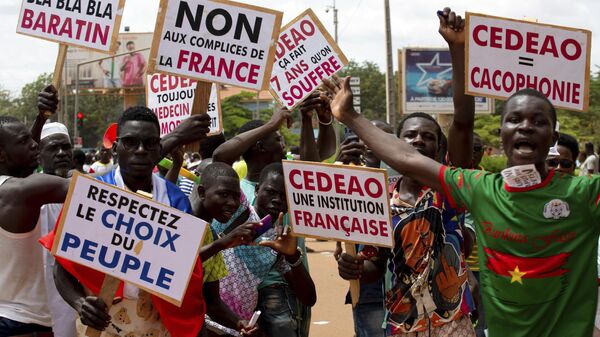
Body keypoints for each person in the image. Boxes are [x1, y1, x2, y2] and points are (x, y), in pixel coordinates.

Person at [325, 7, 600, 336]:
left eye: (539, 122)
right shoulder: (480, 189)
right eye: (515, 120)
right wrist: (351, 117)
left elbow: (461, 122)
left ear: (553, 138)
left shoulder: (584, 194)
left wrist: (459, 52)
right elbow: (406, 158)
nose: (525, 127)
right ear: (501, 134)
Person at [334, 9, 478, 336]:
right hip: (401, 323)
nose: (418, 140)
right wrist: (353, 267)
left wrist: (458, 51)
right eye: (409, 135)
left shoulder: (451, 188)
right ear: (394, 147)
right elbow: (374, 264)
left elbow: (463, 122)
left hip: (452, 322)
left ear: (441, 150)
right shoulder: (379, 196)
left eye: (428, 136)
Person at [44, 106, 211, 337]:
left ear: (158, 148)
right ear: (116, 148)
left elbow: (187, 277)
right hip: (101, 322)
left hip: (156, 323)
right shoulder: (91, 194)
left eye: (150, 142)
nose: (140, 150)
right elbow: (60, 269)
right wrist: (80, 304)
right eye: (130, 142)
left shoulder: (176, 200)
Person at [0, 86, 71, 336]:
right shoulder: (19, 191)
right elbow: (94, 189)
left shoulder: (12, 187)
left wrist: (41, 117)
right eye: (24, 142)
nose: (35, 145)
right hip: (21, 326)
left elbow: (20, 167)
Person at [334, 120, 394, 337]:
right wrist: (336, 169)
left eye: (378, 138)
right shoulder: (348, 182)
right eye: (364, 139)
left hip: (409, 292)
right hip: (370, 291)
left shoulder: (410, 182)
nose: (370, 143)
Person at [193, 162, 262, 336]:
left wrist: (240, 323)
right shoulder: (179, 221)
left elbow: (212, 301)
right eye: (223, 194)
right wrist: (221, 244)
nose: (232, 203)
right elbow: (176, 265)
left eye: (236, 196)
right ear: (202, 193)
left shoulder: (210, 235)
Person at [253, 163, 317, 337]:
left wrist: (292, 256)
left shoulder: (280, 236)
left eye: (284, 196)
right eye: (271, 192)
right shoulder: (238, 216)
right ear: (257, 190)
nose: (277, 200)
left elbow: (309, 298)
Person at [38, 122, 78, 337]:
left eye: (66, 147)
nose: (62, 153)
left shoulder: (85, 191)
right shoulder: (28, 195)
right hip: (38, 299)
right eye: (53, 148)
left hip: (77, 300)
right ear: (39, 155)